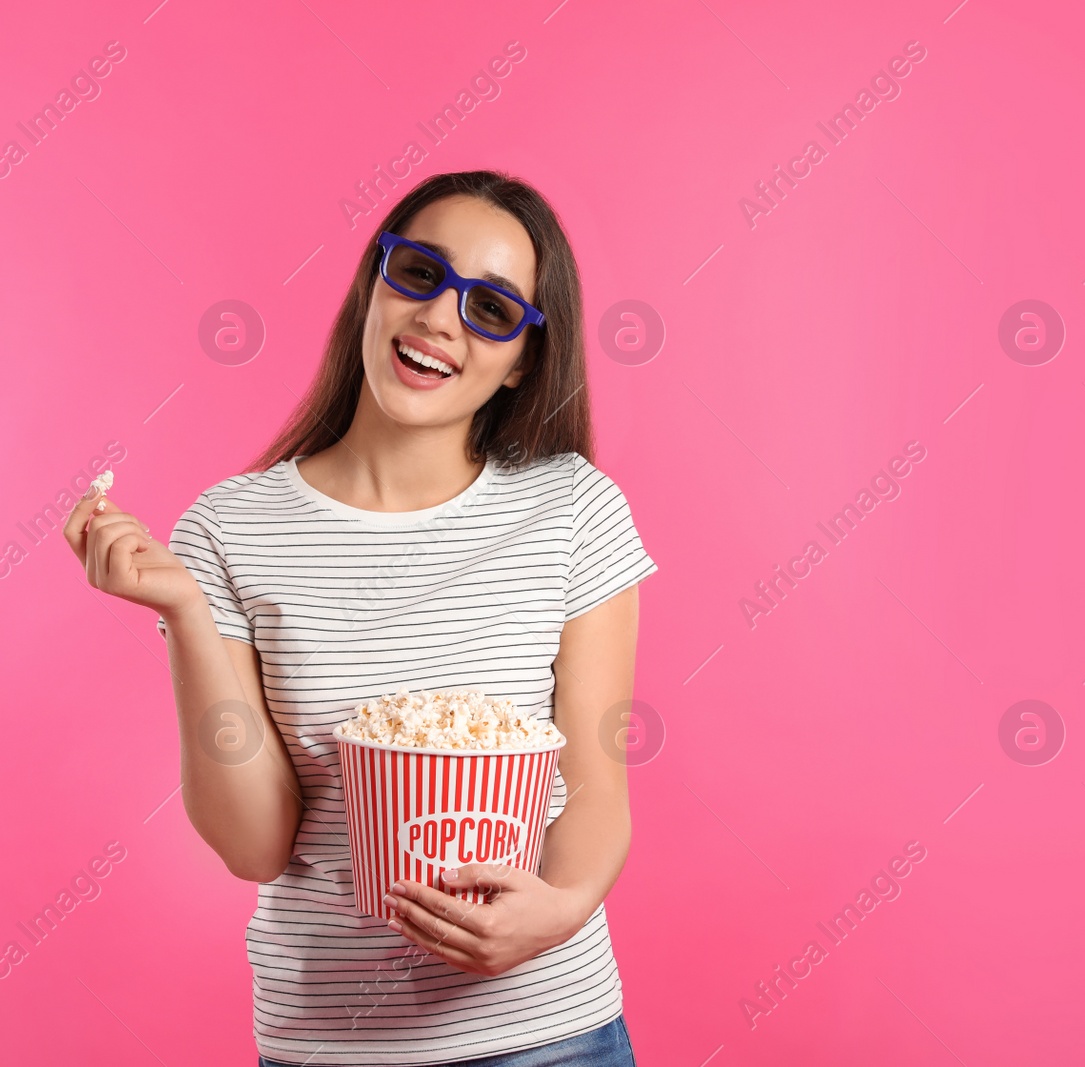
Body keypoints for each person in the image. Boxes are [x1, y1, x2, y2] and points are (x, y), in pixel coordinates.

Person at [64, 170, 656, 1066]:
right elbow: (255, 845)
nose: (441, 319)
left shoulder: (574, 509)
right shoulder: (231, 529)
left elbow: (598, 788)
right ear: (374, 280)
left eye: (492, 309)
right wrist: (185, 615)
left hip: (550, 1036)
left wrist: (558, 910)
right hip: (329, 1045)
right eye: (419, 272)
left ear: (525, 358)